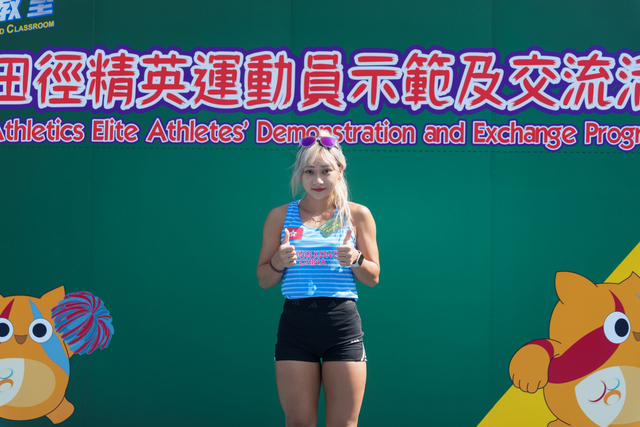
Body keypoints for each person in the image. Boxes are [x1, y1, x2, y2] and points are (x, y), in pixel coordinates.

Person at [257, 131, 380, 427]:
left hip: (341, 326)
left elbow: (373, 277)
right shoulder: (279, 216)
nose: (318, 180)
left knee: (343, 424)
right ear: (300, 175)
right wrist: (278, 262)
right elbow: (264, 279)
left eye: (325, 171)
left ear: (340, 170)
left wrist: (356, 259)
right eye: (309, 172)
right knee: (298, 422)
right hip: (295, 325)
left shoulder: (357, 215)